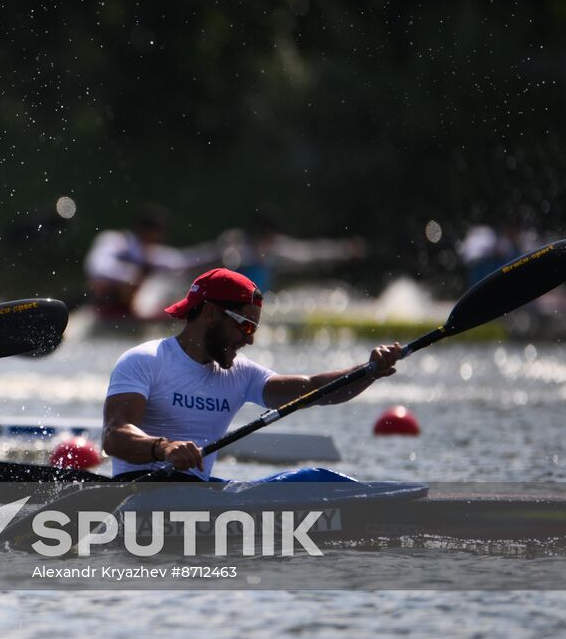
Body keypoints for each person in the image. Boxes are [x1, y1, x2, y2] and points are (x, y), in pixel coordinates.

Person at [101, 267, 401, 481]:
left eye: (255, 329)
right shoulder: (145, 360)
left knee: (313, 480)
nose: (250, 340)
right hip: (139, 489)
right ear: (210, 314)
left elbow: (312, 389)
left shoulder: (241, 375)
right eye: (245, 326)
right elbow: (114, 436)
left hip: (196, 494)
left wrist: (368, 371)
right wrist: (163, 448)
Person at [84, 205, 218, 320]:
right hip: (103, 304)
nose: (159, 238)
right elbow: (97, 267)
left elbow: (181, 261)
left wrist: (219, 249)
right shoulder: (115, 241)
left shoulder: (150, 253)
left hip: (131, 311)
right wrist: (131, 275)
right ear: (144, 230)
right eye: (156, 233)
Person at [216, 208, 366, 292]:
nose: (270, 244)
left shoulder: (274, 250)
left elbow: (309, 253)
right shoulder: (232, 247)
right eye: (269, 239)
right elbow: (197, 261)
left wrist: (346, 249)